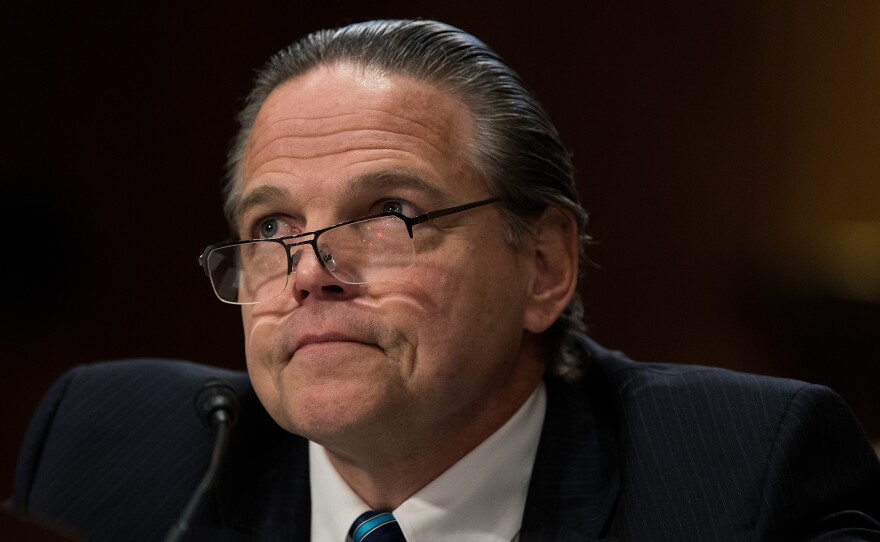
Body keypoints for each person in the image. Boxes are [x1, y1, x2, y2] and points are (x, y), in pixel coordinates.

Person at [12, 19, 880, 541]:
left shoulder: (737, 478)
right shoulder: (114, 450)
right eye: (270, 228)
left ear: (543, 266)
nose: (308, 272)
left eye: (389, 213)